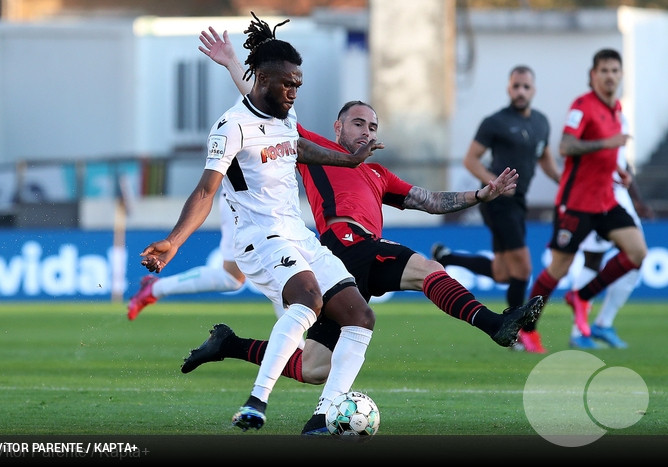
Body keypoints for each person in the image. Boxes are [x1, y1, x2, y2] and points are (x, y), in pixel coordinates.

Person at [178, 26, 544, 420]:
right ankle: (495, 323)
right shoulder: (313, 145)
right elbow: (261, 100)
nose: (365, 131)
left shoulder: (379, 174)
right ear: (338, 128)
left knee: (316, 367)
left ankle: (230, 345)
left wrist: (480, 195)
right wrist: (234, 61)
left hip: (349, 265)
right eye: (357, 123)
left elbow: (429, 200)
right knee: (428, 269)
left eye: (372, 127)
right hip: (344, 244)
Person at [139, 12, 384, 434]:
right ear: (264, 79)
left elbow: (296, 145)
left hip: (297, 235)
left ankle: (323, 416)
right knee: (307, 299)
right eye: (287, 83)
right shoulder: (230, 127)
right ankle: (256, 402)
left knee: (360, 316)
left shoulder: (282, 115)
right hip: (258, 240)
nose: (293, 91)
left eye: (298, 84)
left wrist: (348, 159)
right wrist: (174, 241)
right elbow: (204, 191)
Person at [430, 65, 560, 354]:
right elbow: (471, 160)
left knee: (504, 273)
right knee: (524, 267)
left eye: (526, 86)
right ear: (508, 88)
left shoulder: (541, 122)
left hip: (519, 202)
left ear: (533, 90)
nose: (521, 91)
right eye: (516, 86)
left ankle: (447, 257)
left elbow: (546, 160)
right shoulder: (495, 122)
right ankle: (521, 332)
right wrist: (494, 183)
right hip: (499, 202)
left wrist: (565, 183)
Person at [523, 48, 647, 350]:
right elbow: (566, 147)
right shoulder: (582, 106)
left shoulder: (616, 109)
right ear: (593, 75)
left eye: (615, 71)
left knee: (637, 252)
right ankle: (526, 327)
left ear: (620, 75)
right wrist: (606, 142)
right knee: (559, 268)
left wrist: (620, 171)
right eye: (603, 70)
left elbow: (603, 156)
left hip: (606, 200)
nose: (610, 76)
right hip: (576, 202)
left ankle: (581, 296)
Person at [127, 188, 289, 324]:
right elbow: (206, 188)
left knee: (233, 278)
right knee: (278, 272)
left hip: (276, 200)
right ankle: (296, 351)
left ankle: (155, 288)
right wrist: (173, 241)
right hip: (244, 202)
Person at [568, 120, 654, 349]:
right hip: (596, 194)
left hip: (620, 197)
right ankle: (579, 332)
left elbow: (622, 160)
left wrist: (637, 200)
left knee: (637, 257)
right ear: (593, 80)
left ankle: (604, 323)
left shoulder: (619, 114)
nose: (611, 81)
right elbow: (570, 149)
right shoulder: (587, 111)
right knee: (592, 260)